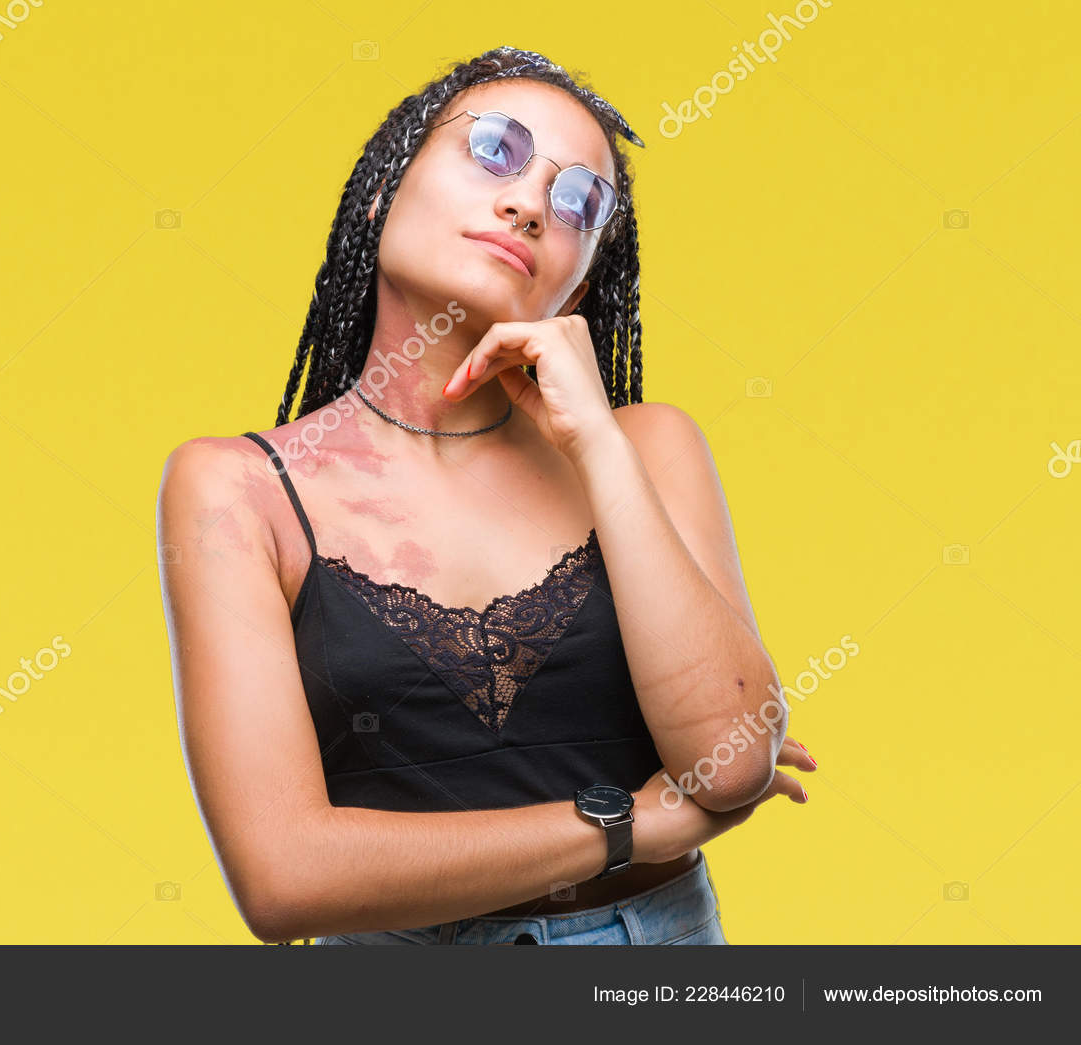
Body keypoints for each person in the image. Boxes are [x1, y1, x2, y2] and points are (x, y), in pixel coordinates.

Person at [155, 46, 814, 945]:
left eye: (579, 202)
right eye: (495, 149)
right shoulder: (235, 488)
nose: (531, 206)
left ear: (579, 284)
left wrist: (596, 444)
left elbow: (732, 763)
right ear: (384, 188)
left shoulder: (648, 448)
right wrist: (629, 825)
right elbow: (282, 880)